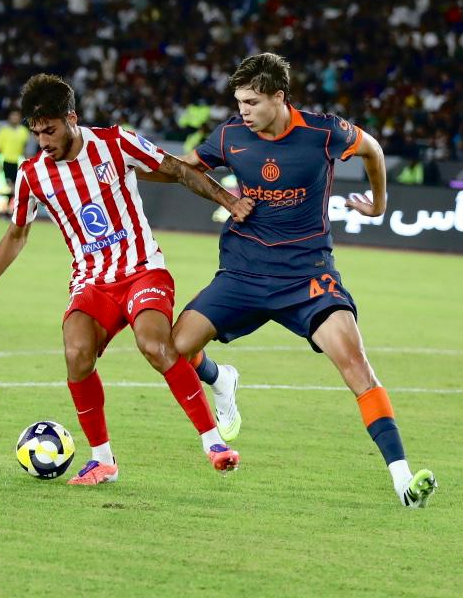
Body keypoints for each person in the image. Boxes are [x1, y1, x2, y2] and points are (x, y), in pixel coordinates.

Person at [0, 73, 253, 485]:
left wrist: (229, 200)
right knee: (76, 354)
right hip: (91, 281)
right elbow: (17, 234)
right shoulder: (33, 174)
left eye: (50, 130)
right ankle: (103, 460)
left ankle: (213, 443)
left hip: (143, 269)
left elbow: (177, 170)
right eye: (36, 133)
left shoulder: (115, 142)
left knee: (154, 344)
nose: (43, 141)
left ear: (71, 118)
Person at [168, 53, 437, 508]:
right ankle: (220, 380)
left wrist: (379, 204)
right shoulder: (231, 135)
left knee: (356, 365)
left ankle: (402, 480)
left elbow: (373, 149)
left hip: (306, 275)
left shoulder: (323, 132)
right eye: (239, 102)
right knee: (176, 348)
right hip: (244, 271)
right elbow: (184, 167)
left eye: (252, 102)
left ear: (279, 97)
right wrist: (224, 198)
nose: (243, 111)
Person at [0, 110, 31, 212]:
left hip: (19, 162)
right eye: (13, 116)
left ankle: (7, 208)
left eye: (17, 116)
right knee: (11, 187)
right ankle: (9, 209)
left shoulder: (24, 132)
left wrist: (27, 160)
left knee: (15, 188)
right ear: (9, 117)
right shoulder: (3, 131)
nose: (15, 118)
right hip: (7, 161)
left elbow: (24, 148)